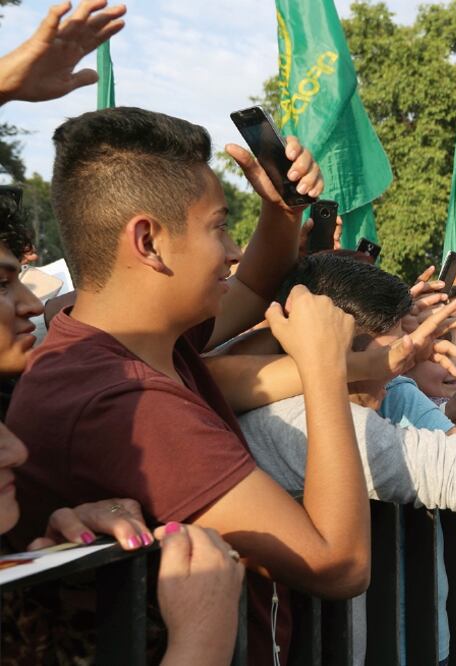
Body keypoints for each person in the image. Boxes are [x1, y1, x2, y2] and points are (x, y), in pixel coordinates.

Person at [5, 106, 367, 665]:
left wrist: (282, 210)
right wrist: (324, 369)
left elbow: (248, 286)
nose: (231, 250)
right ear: (148, 242)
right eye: (219, 226)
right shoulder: (123, 403)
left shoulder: (130, 337)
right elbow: (339, 563)